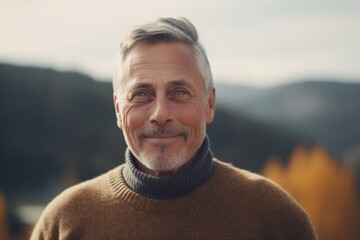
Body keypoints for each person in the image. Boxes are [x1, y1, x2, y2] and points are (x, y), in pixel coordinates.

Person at [31, 17, 317, 239]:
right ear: (118, 109)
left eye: (179, 92)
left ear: (209, 104)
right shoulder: (65, 221)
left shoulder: (275, 217)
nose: (160, 114)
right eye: (141, 93)